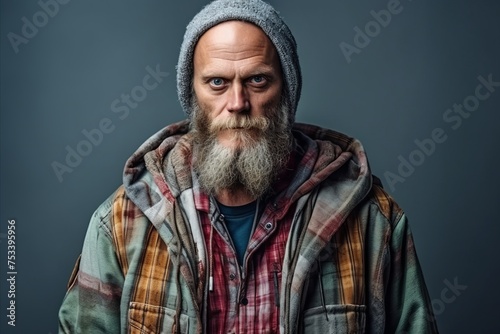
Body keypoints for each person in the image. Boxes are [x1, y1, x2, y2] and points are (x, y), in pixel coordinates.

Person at [58, 0, 439, 333]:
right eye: (217, 82)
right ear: (192, 95)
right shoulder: (122, 225)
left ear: (286, 91)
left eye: (257, 80)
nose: (238, 102)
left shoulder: (373, 222)